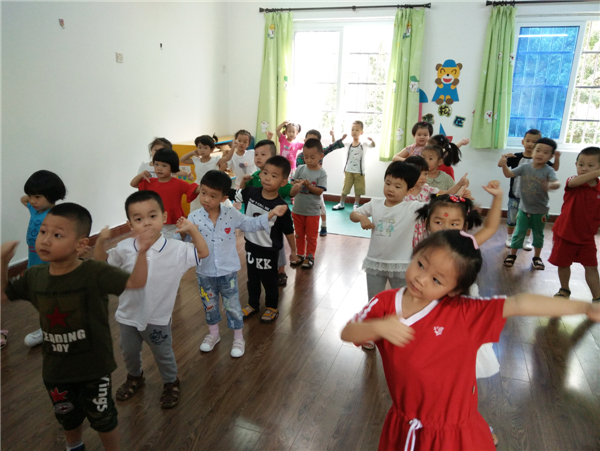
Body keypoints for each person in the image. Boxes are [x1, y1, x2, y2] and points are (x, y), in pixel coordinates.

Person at [341, 229, 600, 451]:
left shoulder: (465, 312)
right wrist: (377, 327)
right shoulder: (385, 302)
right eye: (420, 264)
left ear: (454, 290)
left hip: (455, 431)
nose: (421, 278)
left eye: (436, 279)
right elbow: (349, 332)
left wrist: (584, 308)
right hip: (406, 423)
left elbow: (519, 303)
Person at [2, 203, 153, 451]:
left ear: (81, 244)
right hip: (56, 369)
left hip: (94, 367)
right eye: (43, 232)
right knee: (67, 416)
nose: (45, 240)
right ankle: (74, 446)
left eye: (57, 235)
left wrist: (143, 251)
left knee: (103, 418)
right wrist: (3, 261)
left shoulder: (94, 272)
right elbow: (3, 295)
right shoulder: (34, 276)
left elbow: (135, 282)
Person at [95, 190, 209, 409]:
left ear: (164, 217)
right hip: (128, 315)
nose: (146, 223)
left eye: (152, 216)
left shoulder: (176, 249)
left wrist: (192, 230)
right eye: (138, 219)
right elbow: (102, 265)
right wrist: (100, 242)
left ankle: (171, 382)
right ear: (130, 225)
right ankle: (134, 376)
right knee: (129, 352)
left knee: (163, 353)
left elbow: (202, 253)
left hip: (157, 317)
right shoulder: (125, 248)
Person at [188, 170, 287, 356]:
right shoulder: (193, 218)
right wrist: (181, 233)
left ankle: (238, 338)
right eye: (203, 193)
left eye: (213, 196)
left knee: (233, 306)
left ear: (224, 198)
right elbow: (184, 243)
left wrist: (270, 214)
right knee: (209, 305)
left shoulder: (231, 214)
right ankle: (213, 334)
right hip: (204, 272)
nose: (206, 199)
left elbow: (250, 224)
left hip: (227, 272)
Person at [234, 156, 296, 323]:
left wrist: (294, 251)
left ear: (283, 182)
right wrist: (240, 184)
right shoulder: (251, 192)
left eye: (274, 176)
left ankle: (272, 307)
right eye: (265, 173)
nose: (267, 178)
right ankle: (252, 304)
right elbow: (235, 195)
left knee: (269, 280)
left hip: (268, 250)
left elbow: (289, 231)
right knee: (252, 278)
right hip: (250, 246)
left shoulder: (281, 207)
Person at [349, 161, 423, 302]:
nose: (391, 189)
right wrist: (362, 217)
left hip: (400, 264)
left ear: (409, 191)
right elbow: (353, 214)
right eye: (388, 183)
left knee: (401, 302)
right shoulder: (375, 203)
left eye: (397, 186)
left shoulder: (413, 207)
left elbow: (438, 207)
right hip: (375, 262)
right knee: (374, 300)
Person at [19, 170, 67, 347]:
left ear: (52, 195)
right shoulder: (35, 209)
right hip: (34, 264)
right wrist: (35, 195)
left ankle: (51, 329)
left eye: (37, 197)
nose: (32, 200)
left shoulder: (56, 216)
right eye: (31, 195)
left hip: (50, 266)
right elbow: (23, 199)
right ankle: (50, 326)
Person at [240, 138, 294, 286]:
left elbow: (289, 191)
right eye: (256, 154)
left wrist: (295, 188)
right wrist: (243, 183)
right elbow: (244, 193)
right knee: (256, 253)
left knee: (276, 247)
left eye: (263, 154)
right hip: (255, 223)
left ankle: (280, 271)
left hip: (273, 223)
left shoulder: (279, 178)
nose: (258, 157)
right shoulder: (255, 176)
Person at [500, 138, 560, 270]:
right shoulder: (524, 167)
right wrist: (504, 165)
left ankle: (537, 257)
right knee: (519, 233)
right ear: (532, 152)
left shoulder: (548, 170)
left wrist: (551, 185)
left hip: (540, 211)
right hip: (523, 209)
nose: (540, 154)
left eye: (545, 152)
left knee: (538, 235)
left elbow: (556, 182)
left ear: (551, 156)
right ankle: (512, 255)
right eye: (537, 150)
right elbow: (509, 174)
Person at [549, 146, 600, 302]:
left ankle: (597, 297)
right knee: (563, 263)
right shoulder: (573, 181)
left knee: (591, 267)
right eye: (581, 165)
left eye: (590, 165)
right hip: (565, 233)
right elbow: (574, 182)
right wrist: (596, 171)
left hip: (586, 237)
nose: (584, 169)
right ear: (576, 165)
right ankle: (564, 289)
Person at [131, 148, 200, 239]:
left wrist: (208, 185)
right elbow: (133, 184)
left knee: (172, 240)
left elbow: (195, 189)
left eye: (164, 166)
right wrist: (141, 175)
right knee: (155, 239)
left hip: (173, 222)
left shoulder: (179, 183)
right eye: (156, 164)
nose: (159, 168)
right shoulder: (150, 181)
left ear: (172, 167)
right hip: (154, 219)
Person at [403, 156, 470, 247]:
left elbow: (445, 194)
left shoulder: (426, 188)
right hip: (408, 228)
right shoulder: (402, 191)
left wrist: (459, 184)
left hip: (424, 228)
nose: (423, 177)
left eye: (426, 174)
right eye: (419, 174)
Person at [296, 128, 347, 237]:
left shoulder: (321, 153)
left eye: (314, 141)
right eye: (309, 140)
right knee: (301, 208)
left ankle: (324, 225)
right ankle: (302, 226)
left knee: (321, 207)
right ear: (304, 141)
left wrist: (340, 140)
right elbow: (299, 171)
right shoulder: (300, 156)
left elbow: (331, 147)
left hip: (316, 185)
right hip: (303, 188)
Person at [289, 139, 328, 269]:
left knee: (311, 236)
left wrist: (307, 186)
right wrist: (296, 183)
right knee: (298, 234)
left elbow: (319, 191)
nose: (309, 160)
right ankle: (300, 254)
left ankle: (310, 256)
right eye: (306, 157)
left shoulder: (321, 173)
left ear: (320, 156)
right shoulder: (300, 168)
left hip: (312, 212)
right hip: (297, 209)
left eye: (312, 157)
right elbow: (292, 182)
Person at [333, 120, 376, 211]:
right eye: (352, 130)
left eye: (357, 130)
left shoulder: (363, 144)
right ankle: (341, 203)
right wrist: (335, 136)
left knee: (358, 189)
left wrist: (372, 140)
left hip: (360, 172)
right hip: (348, 170)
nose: (354, 132)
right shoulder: (348, 143)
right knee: (345, 188)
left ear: (361, 132)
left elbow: (372, 145)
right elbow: (335, 144)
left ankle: (356, 205)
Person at [180, 134, 229, 212]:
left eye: (205, 148)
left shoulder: (215, 160)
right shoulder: (196, 160)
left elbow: (227, 158)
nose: (202, 150)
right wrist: (192, 152)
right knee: (198, 207)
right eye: (200, 147)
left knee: (212, 206)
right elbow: (182, 160)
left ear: (212, 150)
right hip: (199, 186)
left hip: (213, 185)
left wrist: (233, 148)